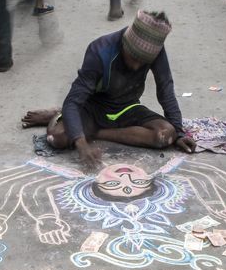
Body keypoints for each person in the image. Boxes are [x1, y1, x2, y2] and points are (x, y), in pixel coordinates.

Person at [21, 10, 196, 168]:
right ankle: (59, 115)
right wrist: (81, 143)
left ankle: (96, 131)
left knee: (165, 134)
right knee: (57, 139)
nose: (136, 66)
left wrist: (179, 133)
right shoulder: (100, 50)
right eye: (134, 58)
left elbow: (165, 90)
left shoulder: (155, 50)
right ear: (125, 44)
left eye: (142, 62)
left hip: (127, 107)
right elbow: (74, 101)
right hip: (92, 108)